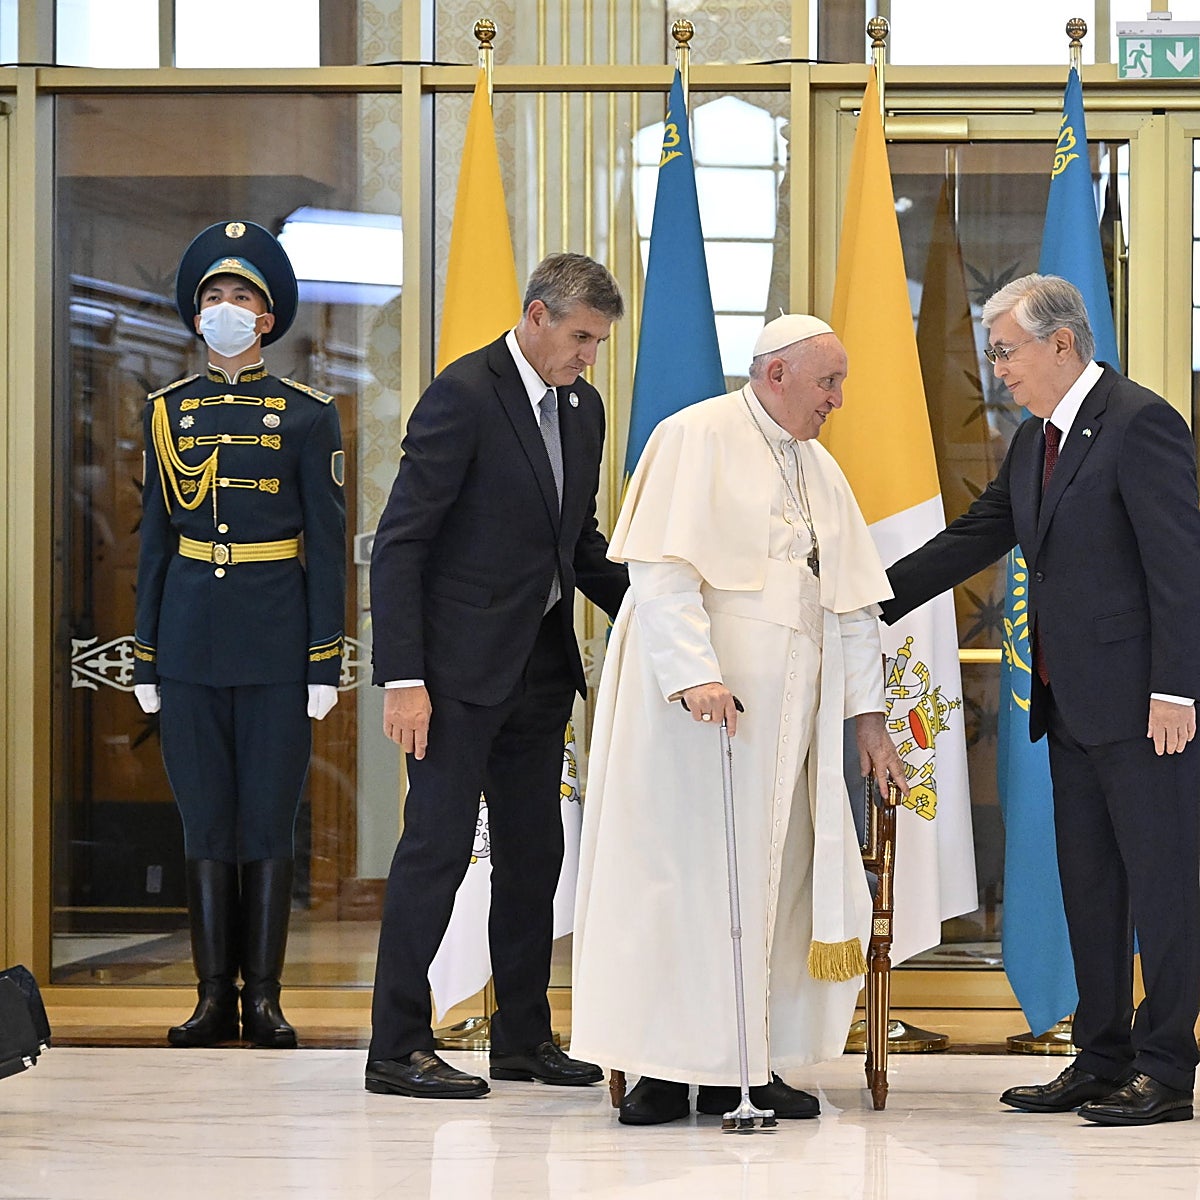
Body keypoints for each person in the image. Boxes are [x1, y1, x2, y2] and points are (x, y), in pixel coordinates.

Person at [570, 314, 909, 1127]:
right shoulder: (696, 435)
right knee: (678, 882)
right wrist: (696, 677)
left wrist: (867, 717)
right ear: (777, 374)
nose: (838, 400)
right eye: (829, 382)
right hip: (693, 722)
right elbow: (660, 571)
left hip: (783, 733)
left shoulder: (819, 468)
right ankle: (661, 1068)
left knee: (770, 889)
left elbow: (855, 607)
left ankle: (748, 1064)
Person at [882, 274, 1200, 1127]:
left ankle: (1169, 1069)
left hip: (1146, 712)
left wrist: (1177, 690)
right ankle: (1102, 1057)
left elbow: (1181, 571)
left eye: (1006, 351)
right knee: (1090, 888)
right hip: (1070, 708)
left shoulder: (1142, 424)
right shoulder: (1034, 443)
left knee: (1164, 889)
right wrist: (862, 595)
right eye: (993, 354)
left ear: (1063, 345)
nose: (997, 370)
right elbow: (972, 539)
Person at [366, 252, 630, 1100]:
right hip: (450, 676)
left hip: (539, 670)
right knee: (434, 856)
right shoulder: (465, 392)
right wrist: (402, 676)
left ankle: (523, 1039)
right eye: (582, 337)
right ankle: (395, 1047)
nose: (589, 356)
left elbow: (576, 543)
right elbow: (401, 541)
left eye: (599, 342)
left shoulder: (581, 409)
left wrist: (662, 619)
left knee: (533, 857)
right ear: (536, 315)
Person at [133, 220, 347, 1049]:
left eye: (243, 298)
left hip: (274, 638)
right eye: (214, 297)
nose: (226, 309)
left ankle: (265, 1000)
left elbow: (327, 547)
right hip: (189, 638)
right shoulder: (166, 414)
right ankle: (209, 998)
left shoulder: (307, 415)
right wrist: (148, 651)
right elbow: (154, 539)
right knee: (204, 823)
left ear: (268, 320)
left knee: (265, 820)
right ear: (196, 317)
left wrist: (322, 656)